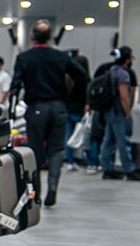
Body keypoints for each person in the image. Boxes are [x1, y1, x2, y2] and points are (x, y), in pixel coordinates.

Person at [9, 20, 89, 204]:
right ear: (51, 37)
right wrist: (69, 94)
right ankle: (53, 188)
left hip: (36, 108)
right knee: (57, 149)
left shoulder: (24, 58)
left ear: (31, 37)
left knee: (36, 151)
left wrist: (12, 111)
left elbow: (15, 86)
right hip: (58, 106)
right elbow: (81, 75)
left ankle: (35, 191)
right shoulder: (60, 57)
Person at [100, 46, 139, 180]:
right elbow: (124, 95)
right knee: (123, 140)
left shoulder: (111, 70)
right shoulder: (123, 74)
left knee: (109, 140)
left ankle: (107, 168)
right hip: (119, 111)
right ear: (127, 60)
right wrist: (127, 112)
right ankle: (129, 169)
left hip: (109, 110)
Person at [64, 54, 91, 169]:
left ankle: (70, 161)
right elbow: (85, 95)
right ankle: (89, 161)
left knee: (68, 136)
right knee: (84, 135)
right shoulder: (85, 78)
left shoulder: (67, 78)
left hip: (67, 109)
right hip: (79, 110)